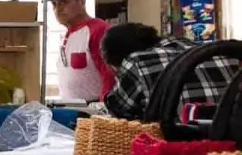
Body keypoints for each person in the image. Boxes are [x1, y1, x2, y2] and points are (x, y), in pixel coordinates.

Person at [101, 22, 238, 120]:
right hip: (232, 149)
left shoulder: (136, 61)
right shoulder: (212, 50)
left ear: (118, 61)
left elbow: (119, 110)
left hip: (178, 148)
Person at [49, 0, 113, 102]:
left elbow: (109, 73)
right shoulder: (66, 35)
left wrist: (104, 106)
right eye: (54, 4)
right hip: (69, 106)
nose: (58, 8)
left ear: (81, 2)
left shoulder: (98, 30)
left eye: (65, 2)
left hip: (92, 109)